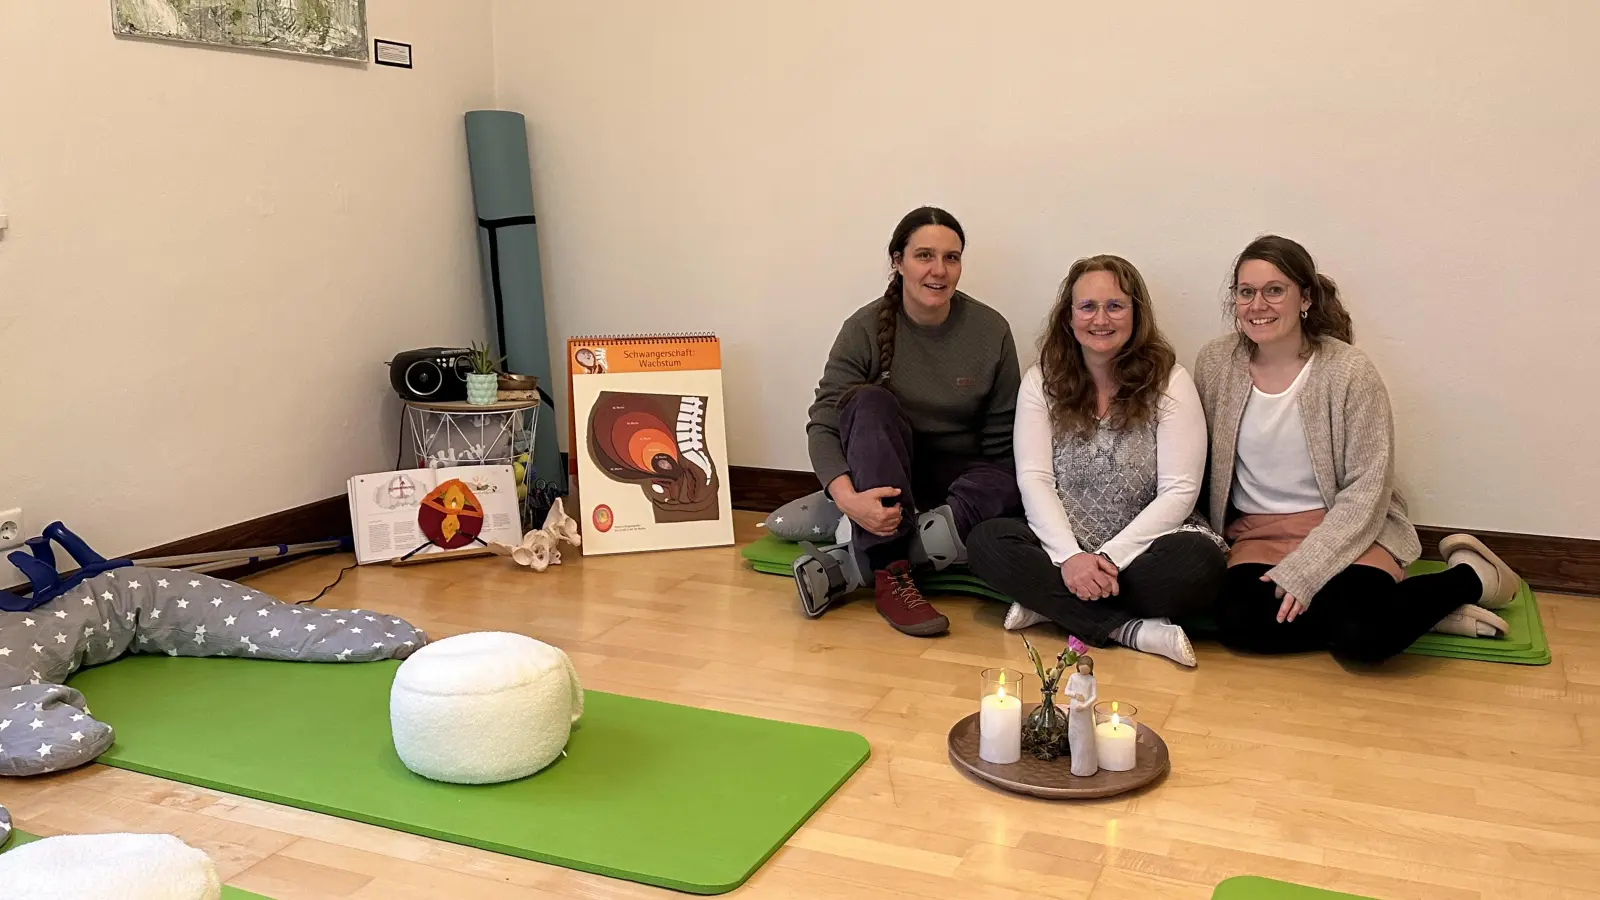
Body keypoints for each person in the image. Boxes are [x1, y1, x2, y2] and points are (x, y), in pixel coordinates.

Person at [1192, 234, 1520, 662]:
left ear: (1304, 297)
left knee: (1362, 639)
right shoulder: (1215, 363)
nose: (1258, 305)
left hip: (1346, 525)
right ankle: (1419, 611)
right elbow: (1198, 459)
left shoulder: (1348, 370)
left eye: (1275, 291)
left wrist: (1307, 570)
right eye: (1246, 292)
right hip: (1261, 533)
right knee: (1242, 627)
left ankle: (1472, 576)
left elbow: (1368, 487)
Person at [967, 255, 1226, 667]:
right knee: (987, 543)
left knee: (1200, 565)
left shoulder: (1170, 380)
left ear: (1135, 315)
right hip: (1062, 545)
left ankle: (1049, 605)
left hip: (1146, 548)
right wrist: (1070, 558)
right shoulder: (1042, 380)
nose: (1100, 318)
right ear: (1069, 318)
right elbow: (1034, 478)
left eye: (1115, 306)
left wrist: (1107, 560)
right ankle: (1131, 629)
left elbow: (1179, 491)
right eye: (1087, 306)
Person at [804, 206, 1024, 636]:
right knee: (868, 402)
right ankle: (892, 573)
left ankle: (860, 560)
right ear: (897, 261)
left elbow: (1005, 441)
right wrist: (848, 498)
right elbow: (825, 423)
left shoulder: (990, 329)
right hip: (885, 475)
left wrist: (1006, 496)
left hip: (956, 479)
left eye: (952, 257)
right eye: (924, 255)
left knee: (1008, 483)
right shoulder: (863, 328)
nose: (939, 270)